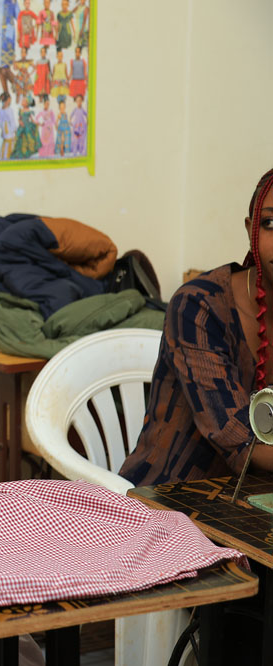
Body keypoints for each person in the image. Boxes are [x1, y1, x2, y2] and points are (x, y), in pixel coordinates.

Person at [118, 169, 273, 489]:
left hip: (255, 508)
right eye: (271, 224)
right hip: (167, 502)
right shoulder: (199, 308)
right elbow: (243, 443)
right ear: (251, 230)